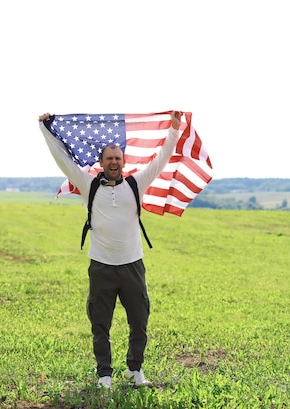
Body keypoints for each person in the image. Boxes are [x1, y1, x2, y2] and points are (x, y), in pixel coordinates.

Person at [38, 111, 183, 389]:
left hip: (132, 266)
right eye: (109, 159)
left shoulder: (136, 184)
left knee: (139, 322)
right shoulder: (87, 184)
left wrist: (174, 130)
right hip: (101, 266)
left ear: (123, 161)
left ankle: (134, 370)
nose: (114, 162)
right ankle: (104, 374)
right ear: (102, 163)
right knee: (100, 325)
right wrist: (44, 128)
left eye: (118, 158)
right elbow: (62, 159)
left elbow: (162, 159)